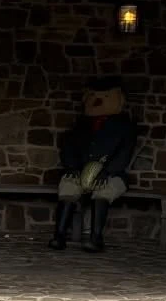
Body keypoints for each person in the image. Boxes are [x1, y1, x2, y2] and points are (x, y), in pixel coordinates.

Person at [49, 83, 138, 252]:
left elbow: (124, 154)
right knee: (68, 189)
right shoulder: (81, 125)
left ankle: (95, 239)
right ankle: (59, 236)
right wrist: (73, 167)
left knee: (103, 193)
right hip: (80, 170)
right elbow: (68, 148)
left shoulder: (124, 127)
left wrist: (107, 171)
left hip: (111, 173)